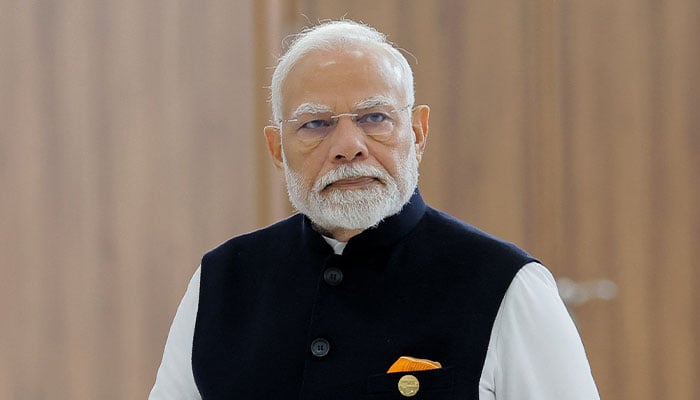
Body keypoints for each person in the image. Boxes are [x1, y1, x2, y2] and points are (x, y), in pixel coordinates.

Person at [150, 19, 599, 399]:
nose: (348, 147)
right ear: (277, 148)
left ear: (418, 131)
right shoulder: (222, 280)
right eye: (316, 124)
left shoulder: (507, 284)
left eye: (374, 118)